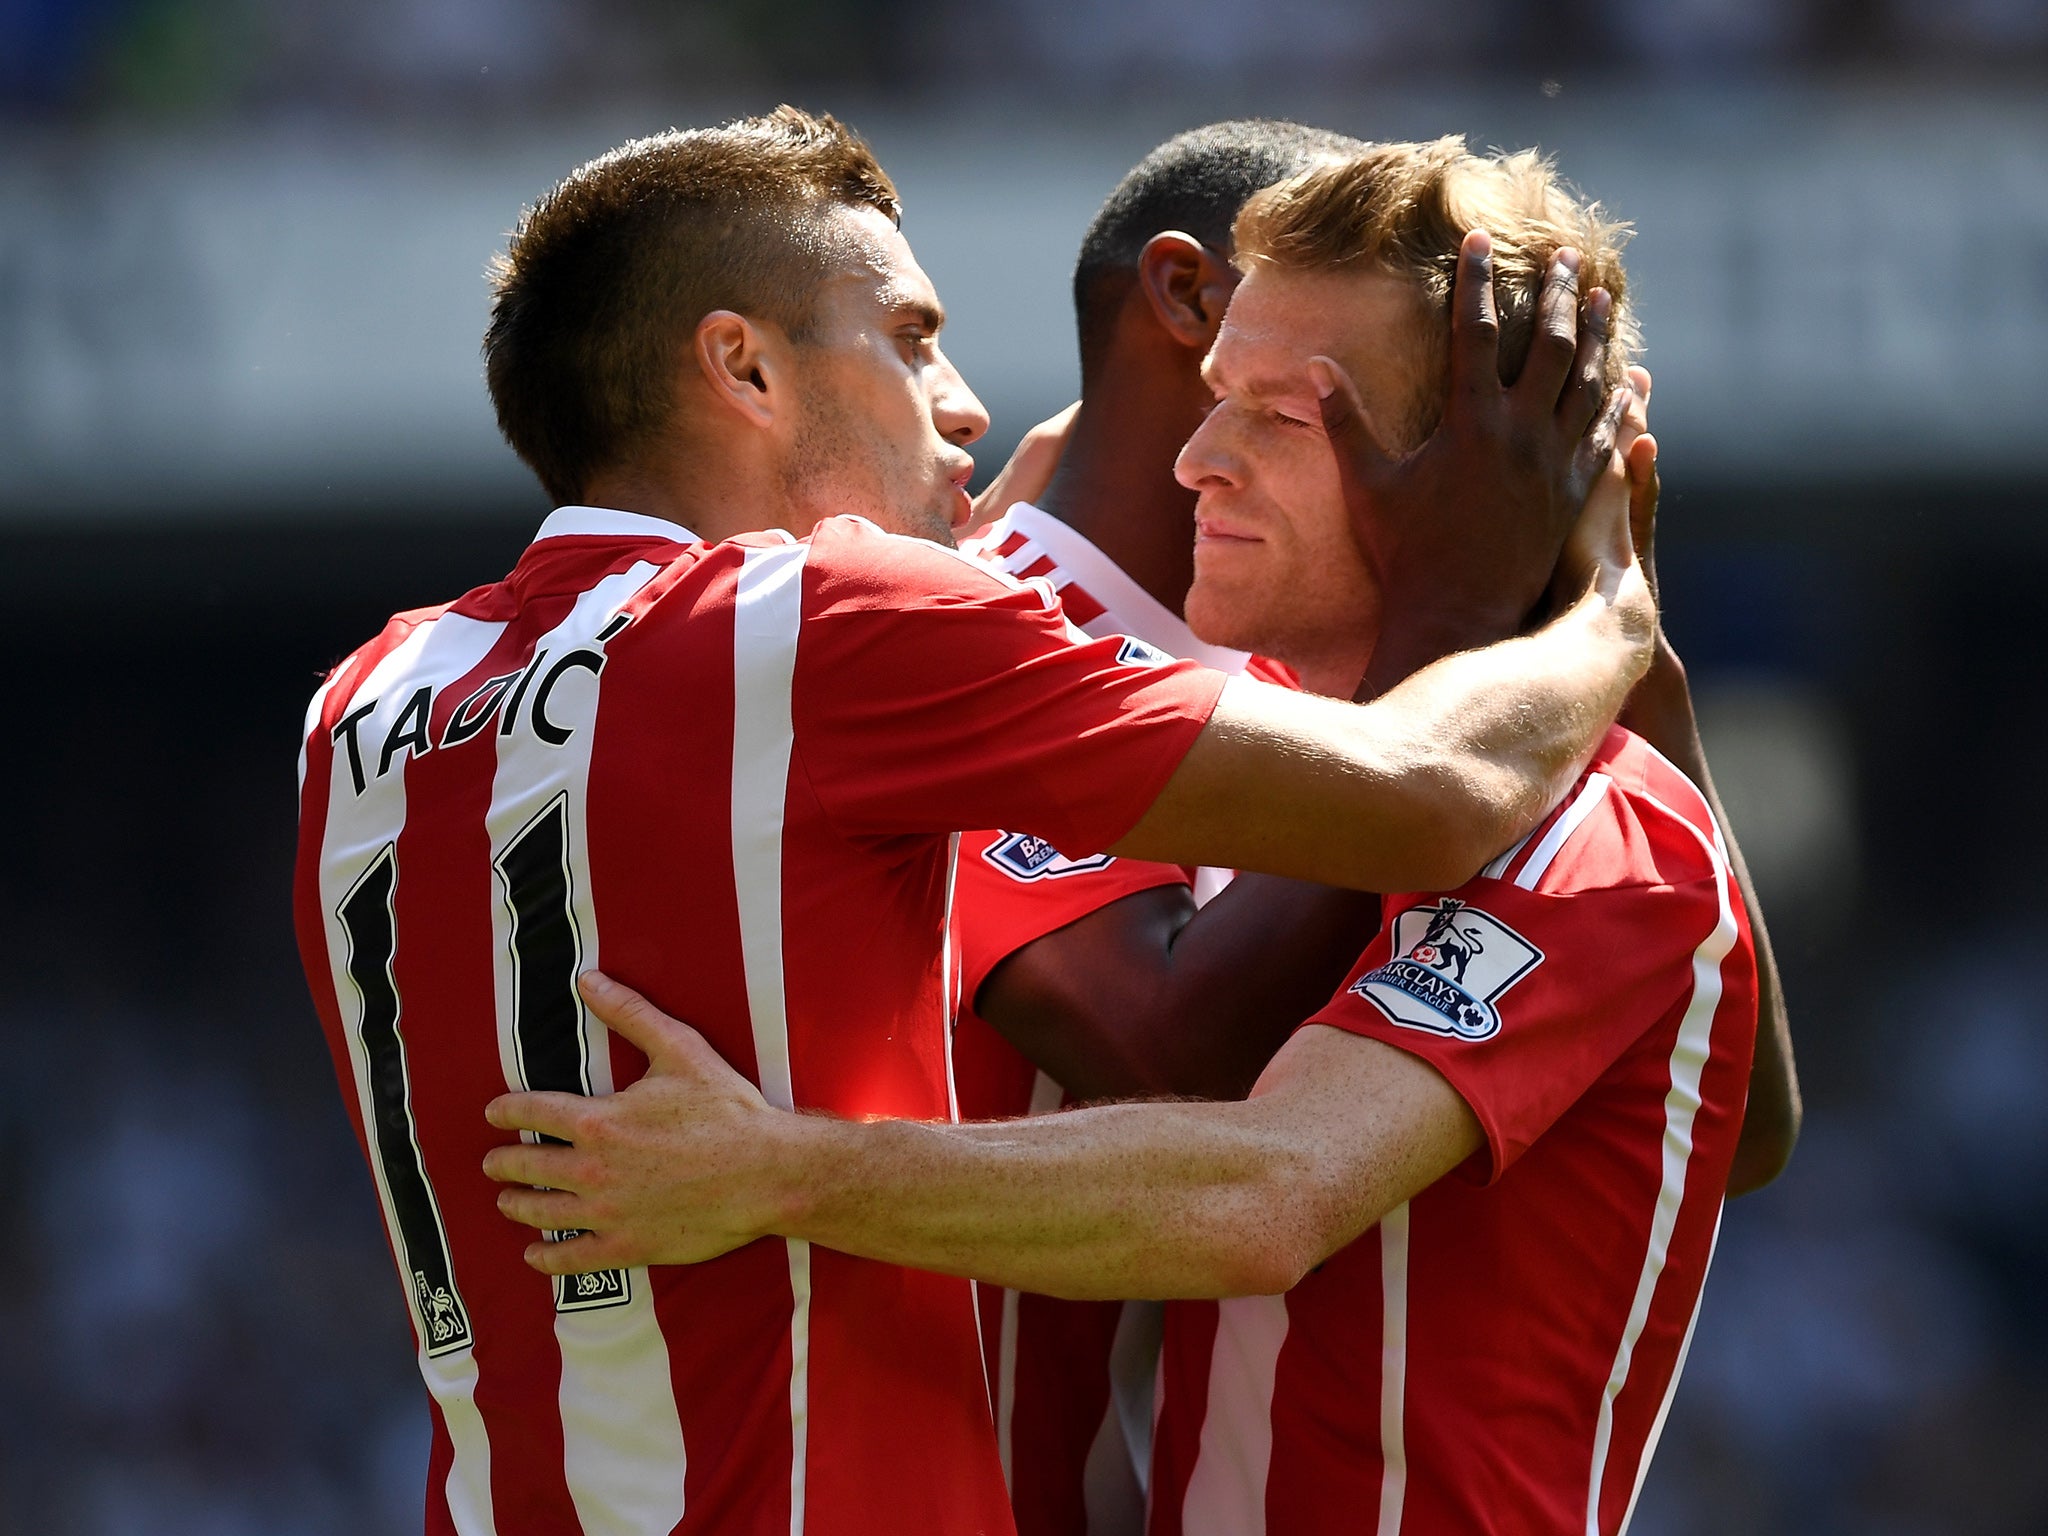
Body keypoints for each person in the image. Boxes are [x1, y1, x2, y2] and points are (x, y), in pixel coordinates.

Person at [296, 109, 1647, 1534]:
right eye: (908, 337)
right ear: (744, 365)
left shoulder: (370, 699)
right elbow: (1429, 799)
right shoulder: (829, 624)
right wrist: (1611, 608)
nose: (963, 405)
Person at [947, 121, 1799, 1536]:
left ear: (1489, 479)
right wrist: (1551, 626)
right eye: (1220, 396)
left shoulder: (1598, 823)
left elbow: (1255, 1184)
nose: (1195, 462)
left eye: (1285, 417)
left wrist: (768, 1172)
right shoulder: (1208, 715)